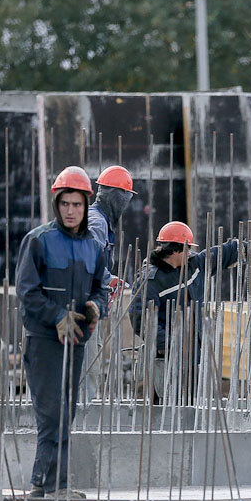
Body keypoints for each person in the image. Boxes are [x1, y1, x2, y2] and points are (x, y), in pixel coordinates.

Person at [16, 166, 110, 499]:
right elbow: (27, 291)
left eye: (77, 205)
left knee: (64, 410)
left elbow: (102, 286)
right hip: (45, 341)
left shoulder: (94, 247)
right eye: (65, 204)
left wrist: (98, 306)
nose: (71, 211)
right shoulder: (39, 241)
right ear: (57, 204)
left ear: (86, 207)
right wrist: (56, 315)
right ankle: (55, 485)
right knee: (52, 409)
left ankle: (43, 483)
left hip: (77, 340)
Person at [128, 221, 251, 403]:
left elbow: (215, 255)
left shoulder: (193, 265)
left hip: (193, 353)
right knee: (166, 406)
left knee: (191, 404)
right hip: (167, 356)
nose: (190, 253)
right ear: (174, 250)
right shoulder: (151, 281)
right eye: (187, 249)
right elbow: (140, 318)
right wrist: (167, 343)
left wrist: (240, 248)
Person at [82, 165, 135, 401]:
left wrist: (107, 279)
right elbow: (85, 255)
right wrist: (106, 278)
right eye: (125, 197)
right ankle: (80, 424)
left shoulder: (98, 220)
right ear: (116, 197)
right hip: (81, 307)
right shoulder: (97, 222)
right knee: (87, 367)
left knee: (88, 364)